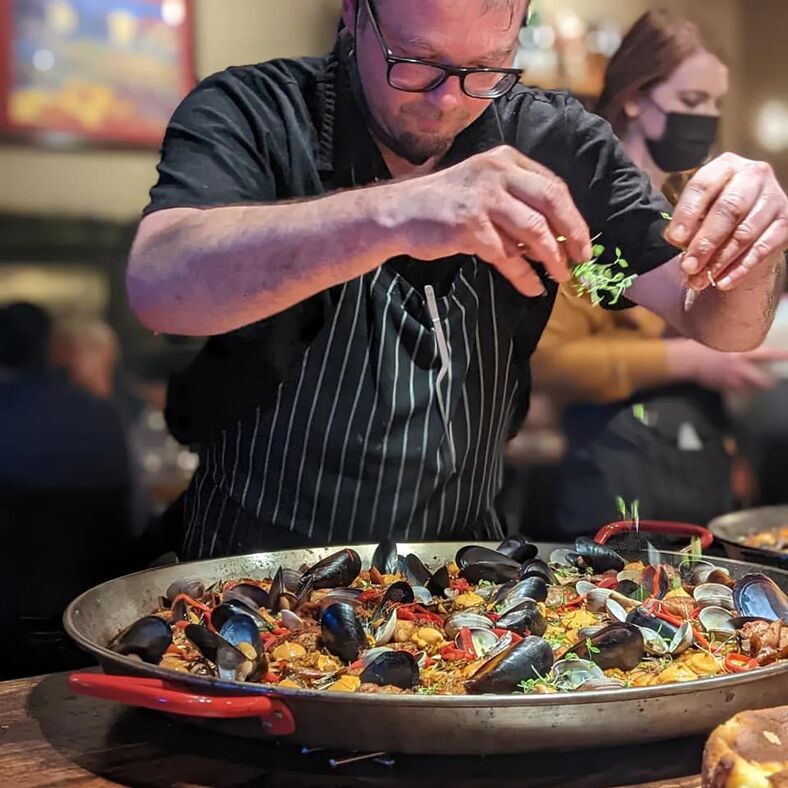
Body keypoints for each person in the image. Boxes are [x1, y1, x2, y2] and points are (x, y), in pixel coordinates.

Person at [127, 0, 788, 560]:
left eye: (486, 70)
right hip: (241, 565)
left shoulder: (553, 140)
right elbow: (159, 284)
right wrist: (396, 212)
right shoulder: (256, 112)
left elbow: (720, 322)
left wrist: (754, 244)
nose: (449, 99)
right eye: (418, 63)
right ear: (354, 15)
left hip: (455, 579)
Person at [530, 10, 788, 537]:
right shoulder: (580, 208)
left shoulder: (689, 199)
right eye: (693, 102)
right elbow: (552, 361)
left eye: (715, 103)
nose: (708, 119)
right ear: (633, 96)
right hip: (605, 470)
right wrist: (690, 358)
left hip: (699, 456)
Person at [0, 303, 135, 677]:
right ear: (51, 348)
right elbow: (135, 515)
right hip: (90, 614)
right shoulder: (100, 412)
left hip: (9, 612)